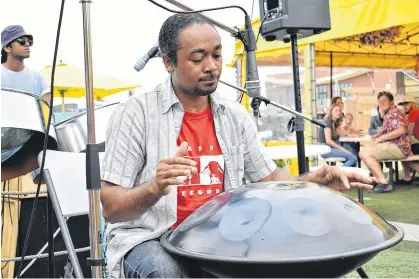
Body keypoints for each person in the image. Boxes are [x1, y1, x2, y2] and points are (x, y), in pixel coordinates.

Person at [100, 14, 373, 278]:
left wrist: (315, 181)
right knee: (165, 272)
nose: (212, 66)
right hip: (151, 236)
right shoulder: (134, 113)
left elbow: (271, 179)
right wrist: (153, 188)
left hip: (217, 238)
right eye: (198, 58)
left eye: (217, 55)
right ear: (169, 62)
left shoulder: (234, 115)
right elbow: (112, 209)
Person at [1, 25, 50, 181]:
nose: (27, 44)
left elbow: (47, 111)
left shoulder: (37, 77)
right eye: (22, 41)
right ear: (7, 48)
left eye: (29, 41)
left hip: (26, 144)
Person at [359, 91, 410, 193]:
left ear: (391, 102)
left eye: (385, 101)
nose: (382, 103)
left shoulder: (393, 113)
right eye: (380, 101)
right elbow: (389, 129)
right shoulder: (389, 114)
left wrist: (382, 138)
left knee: (364, 153)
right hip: (398, 146)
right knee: (365, 152)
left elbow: (401, 130)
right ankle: (379, 180)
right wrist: (379, 135)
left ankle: (383, 183)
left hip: (398, 147)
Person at [397, 96, 419, 183]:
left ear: (413, 103)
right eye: (403, 104)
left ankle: (407, 177)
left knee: (403, 154)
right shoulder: (414, 113)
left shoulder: (414, 112)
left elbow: (409, 133)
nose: (404, 106)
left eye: (407, 103)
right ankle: (406, 177)